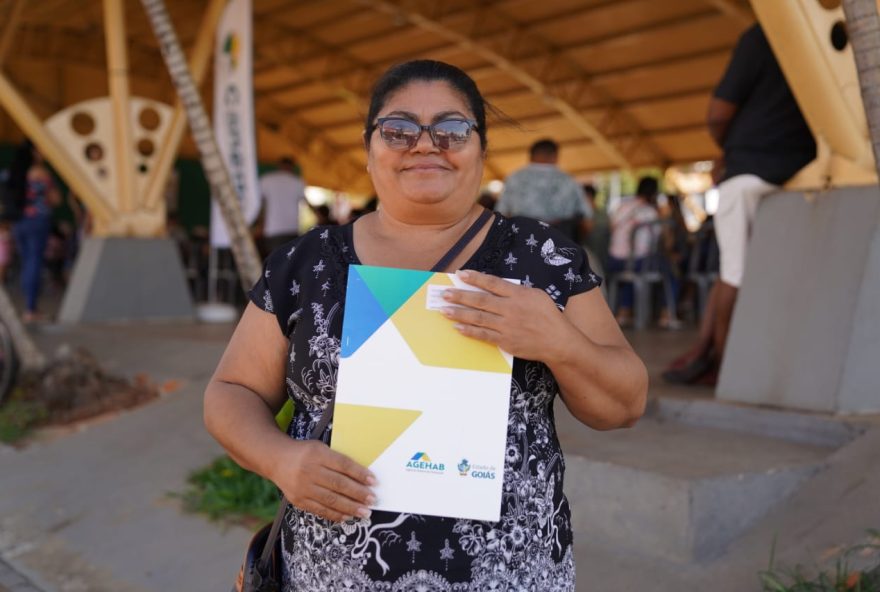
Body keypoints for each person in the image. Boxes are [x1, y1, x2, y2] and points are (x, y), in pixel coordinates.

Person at [204, 59, 647, 590]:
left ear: (481, 150)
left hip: (514, 574)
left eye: (452, 128)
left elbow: (625, 405)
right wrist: (280, 460)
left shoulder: (541, 258)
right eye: (399, 129)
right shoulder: (307, 263)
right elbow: (231, 391)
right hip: (329, 574)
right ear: (369, 149)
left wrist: (558, 341)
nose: (425, 144)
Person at [663, 24, 816, 384]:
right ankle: (704, 349)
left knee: (733, 272)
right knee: (733, 271)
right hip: (802, 167)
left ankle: (722, 363)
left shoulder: (764, 34)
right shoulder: (825, 32)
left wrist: (729, 150)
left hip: (749, 169)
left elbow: (718, 113)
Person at [5, 140, 61, 322]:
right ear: (34, 152)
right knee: (34, 263)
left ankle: (28, 307)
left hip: (18, 223)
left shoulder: (13, 173)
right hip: (37, 221)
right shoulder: (40, 173)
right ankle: (31, 309)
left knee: (26, 263)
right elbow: (55, 199)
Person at [495, 139, 593, 242]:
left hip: (521, 239)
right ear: (555, 156)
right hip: (560, 240)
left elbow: (501, 214)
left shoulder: (514, 178)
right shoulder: (569, 180)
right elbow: (587, 221)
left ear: (531, 156)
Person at [605, 176, 662, 326]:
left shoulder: (622, 206)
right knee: (664, 270)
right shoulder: (650, 212)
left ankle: (623, 311)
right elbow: (655, 243)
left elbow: (611, 229)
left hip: (614, 260)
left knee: (629, 274)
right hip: (637, 263)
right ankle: (666, 312)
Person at [258, 157, 307, 255]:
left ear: (279, 166)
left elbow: (261, 203)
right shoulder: (297, 182)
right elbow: (305, 202)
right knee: (289, 262)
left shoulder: (266, 179)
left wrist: (260, 224)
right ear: (292, 167)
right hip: (292, 228)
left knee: (273, 261)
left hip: (272, 229)